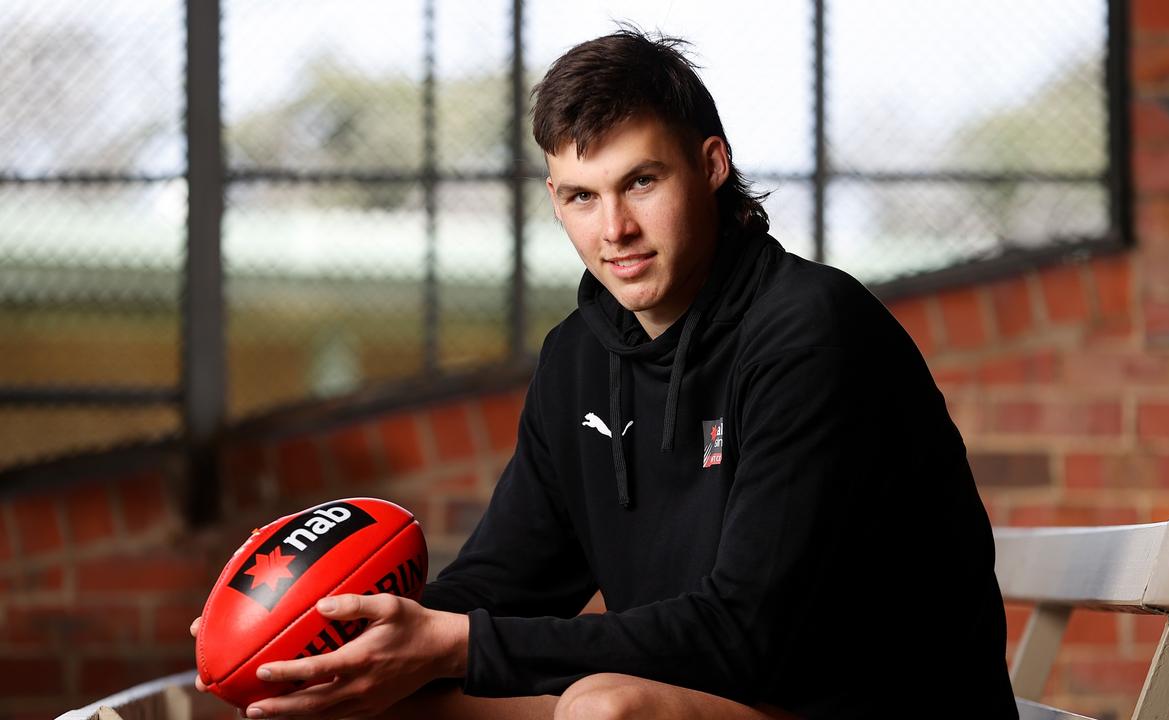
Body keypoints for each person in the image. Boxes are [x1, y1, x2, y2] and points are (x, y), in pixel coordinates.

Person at [191, 29, 1018, 719]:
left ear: (712, 164)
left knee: (606, 711)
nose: (615, 228)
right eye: (582, 197)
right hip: (720, 704)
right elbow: (505, 581)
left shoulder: (811, 332)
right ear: (554, 197)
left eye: (641, 182)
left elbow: (747, 637)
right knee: (385, 701)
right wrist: (311, 629)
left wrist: (461, 644)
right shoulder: (581, 358)